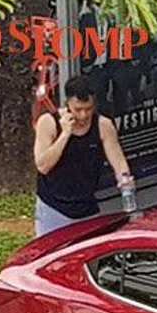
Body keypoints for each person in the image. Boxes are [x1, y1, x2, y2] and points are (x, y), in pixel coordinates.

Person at [33, 74, 135, 236]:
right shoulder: (48, 123)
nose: (83, 116)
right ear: (68, 104)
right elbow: (43, 166)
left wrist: (125, 183)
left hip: (86, 206)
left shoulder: (103, 126)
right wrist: (65, 134)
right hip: (53, 206)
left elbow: (119, 162)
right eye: (78, 110)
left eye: (88, 109)